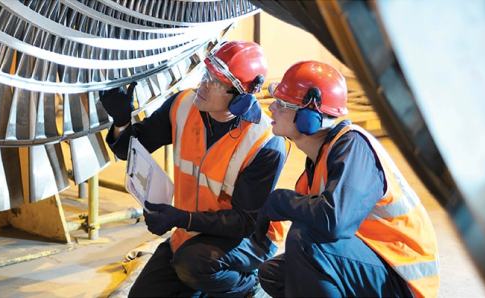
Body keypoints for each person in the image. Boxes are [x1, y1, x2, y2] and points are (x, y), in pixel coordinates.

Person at [100, 41, 289, 297]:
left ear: (240, 99)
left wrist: (179, 218)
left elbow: (243, 223)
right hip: (193, 232)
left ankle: (246, 287)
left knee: (195, 264)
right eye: (206, 74)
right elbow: (130, 150)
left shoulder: (265, 142)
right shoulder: (184, 105)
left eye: (216, 82)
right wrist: (122, 120)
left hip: (248, 240)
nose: (204, 84)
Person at [253, 61, 439, 297]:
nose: (272, 109)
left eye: (282, 104)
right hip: (376, 265)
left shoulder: (354, 148)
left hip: (404, 281)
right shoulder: (318, 162)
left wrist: (281, 201)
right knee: (276, 273)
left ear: (308, 117)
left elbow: (334, 221)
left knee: (306, 239)